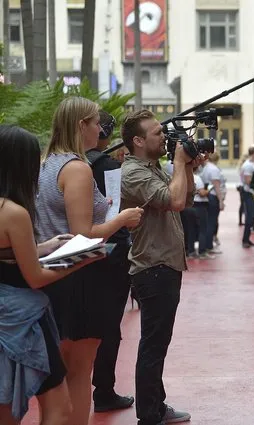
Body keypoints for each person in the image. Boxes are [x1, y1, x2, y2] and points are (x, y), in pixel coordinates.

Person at [35, 97, 143, 425]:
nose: (101, 128)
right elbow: (85, 235)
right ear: (81, 126)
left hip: (50, 275)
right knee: (81, 371)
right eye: (96, 122)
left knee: (58, 376)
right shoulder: (77, 169)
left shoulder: (44, 164)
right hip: (80, 276)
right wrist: (121, 218)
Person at [0, 125, 100, 425]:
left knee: (7, 409)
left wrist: (43, 246)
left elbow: (7, 254)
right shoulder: (14, 212)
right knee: (58, 408)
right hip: (23, 318)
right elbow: (36, 278)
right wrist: (80, 260)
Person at [120, 109, 204, 425]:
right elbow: (175, 201)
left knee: (158, 342)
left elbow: (187, 195)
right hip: (153, 268)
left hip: (164, 265)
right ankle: (148, 416)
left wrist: (189, 168)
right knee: (153, 345)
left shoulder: (152, 167)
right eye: (157, 133)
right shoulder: (134, 173)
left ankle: (157, 406)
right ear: (138, 141)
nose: (165, 137)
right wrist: (180, 163)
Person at [85, 110, 136, 412]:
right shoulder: (106, 166)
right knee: (109, 326)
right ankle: (103, 390)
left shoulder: (65, 164)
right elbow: (116, 207)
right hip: (111, 250)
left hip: (74, 250)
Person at [200, 152, 225, 254]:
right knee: (212, 222)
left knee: (209, 221)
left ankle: (208, 244)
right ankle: (209, 246)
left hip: (209, 197)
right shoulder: (214, 169)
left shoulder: (206, 167)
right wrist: (221, 201)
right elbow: (217, 186)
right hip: (213, 197)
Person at [240, 147, 254, 247]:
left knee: (252, 216)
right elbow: (248, 181)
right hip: (248, 193)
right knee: (250, 216)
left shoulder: (252, 164)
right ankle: (245, 240)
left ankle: (247, 238)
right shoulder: (248, 165)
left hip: (252, 193)